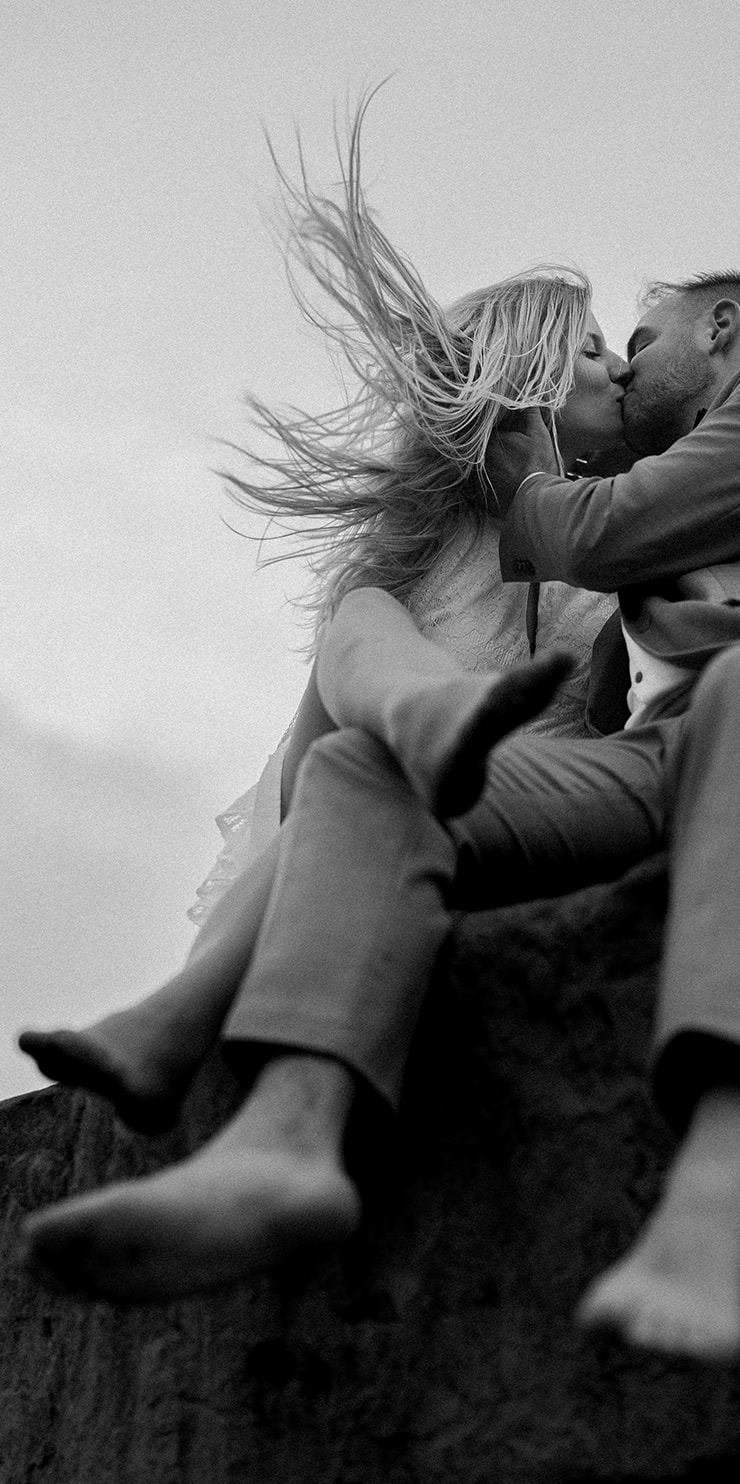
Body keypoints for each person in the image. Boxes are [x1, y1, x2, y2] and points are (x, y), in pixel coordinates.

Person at [25, 261, 740, 1365]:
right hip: (672, 753)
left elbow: (613, 528)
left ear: (720, 328)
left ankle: (718, 1181)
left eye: (639, 339)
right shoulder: (644, 552)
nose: (624, 368)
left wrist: (531, 483)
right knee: (371, 770)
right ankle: (285, 1142)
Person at [17, 120, 625, 1270]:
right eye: (589, 349)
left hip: (496, 833)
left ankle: (178, 1014)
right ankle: (425, 719)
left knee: (368, 685)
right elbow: (307, 778)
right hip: (354, 825)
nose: (617, 368)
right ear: (532, 376)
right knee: (360, 625)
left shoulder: (617, 545)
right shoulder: (419, 560)